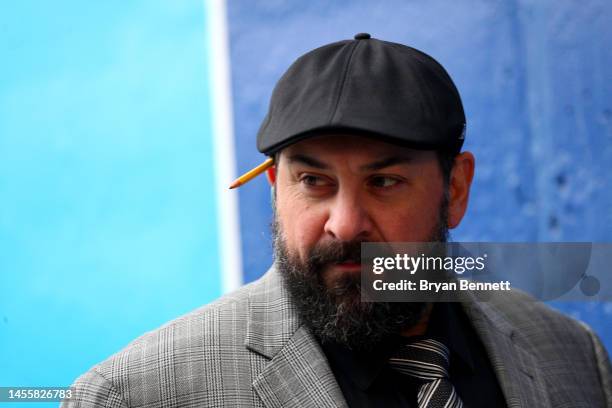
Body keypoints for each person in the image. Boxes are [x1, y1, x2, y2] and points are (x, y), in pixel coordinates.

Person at [64, 34, 611, 407]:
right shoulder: (136, 394)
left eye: (384, 182)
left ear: (455, 190)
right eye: (313, 181)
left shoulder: (571, 354)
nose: (345, 226)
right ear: (276, 190)